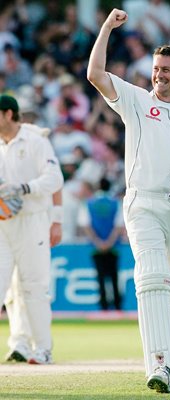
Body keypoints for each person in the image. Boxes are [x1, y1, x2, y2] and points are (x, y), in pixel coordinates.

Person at [87, 8, 170, 393]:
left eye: (166, 69)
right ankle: (159, 366)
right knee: (152, 277)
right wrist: (107, 28)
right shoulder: (137, 101)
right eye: (155, 68)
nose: (159, 74)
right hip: (143, 203)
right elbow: (95, 75)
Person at [0, 94, 64, 364]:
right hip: (3, 224)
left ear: (9, 114)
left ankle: (42, 348)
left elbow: (55, 179)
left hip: (33, 221)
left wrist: (25, 188)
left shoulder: (36, 141)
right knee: (6, 288)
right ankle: (19, 343)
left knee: (33, 287)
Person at [78, 176, 123, 311]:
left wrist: (98, 242)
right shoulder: (116, 203)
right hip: (114, 247)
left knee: (100, 277)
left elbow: (85, 225)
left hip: (95, 247)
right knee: (114, 277)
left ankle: (103, 307)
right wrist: (109, 242)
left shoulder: (88, 203)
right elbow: (118, 225)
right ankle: (117, 307)